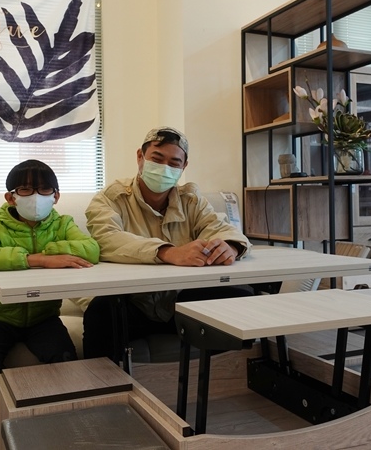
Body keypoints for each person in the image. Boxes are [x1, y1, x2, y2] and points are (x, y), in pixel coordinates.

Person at [82, 126, 253, 360]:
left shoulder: (191, 200)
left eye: (174, 163)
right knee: (100, 311)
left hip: (179, 301)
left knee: (243, 298)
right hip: (132, 301)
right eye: (157, 158)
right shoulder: (110, 198)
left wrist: (230, 246)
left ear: (184, 167)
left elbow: (221, 228)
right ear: (140, 157)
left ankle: (226, 375)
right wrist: (168, 253)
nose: (164, 168)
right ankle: (104, 381)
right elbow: (106, 238)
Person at [0, 159, 99, 408]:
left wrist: (51, 250)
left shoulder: (63, 224)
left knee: (67, 362)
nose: (36, 196)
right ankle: (5, 421)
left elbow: (91, 250)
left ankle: (58, 419)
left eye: (44, 189)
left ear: (56, 196)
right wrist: (37, 259)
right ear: (11, 197)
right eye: (26, 189)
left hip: (43, 317)